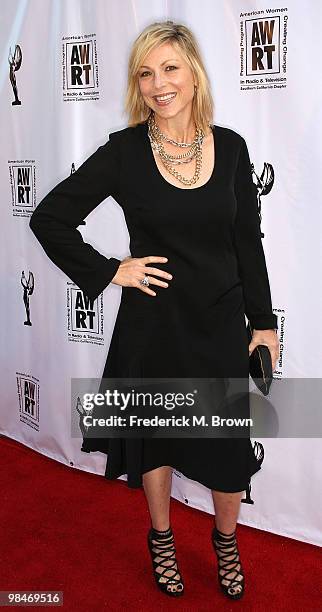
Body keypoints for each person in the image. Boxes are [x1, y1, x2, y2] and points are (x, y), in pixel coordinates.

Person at [29, 20, 279, 600]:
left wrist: (263, 324)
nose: (158, 84)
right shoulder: (124, 153)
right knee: (155, 442)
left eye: (169, 68)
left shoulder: (233, 148)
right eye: (145, 73)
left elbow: (248, 243)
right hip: (153, 327)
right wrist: (111, 269)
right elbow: (50, 218)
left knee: (226, 454)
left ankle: (224, 539)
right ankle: (162, 537)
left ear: (193, 73)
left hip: (218, 324)